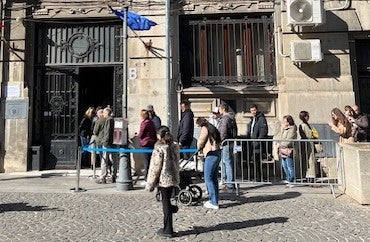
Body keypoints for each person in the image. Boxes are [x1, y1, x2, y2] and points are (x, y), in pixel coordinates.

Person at [146, 126, 180, 238]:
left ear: (160, 135)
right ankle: (168, 226)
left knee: (165, 204)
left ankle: (168, 229)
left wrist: (150, 184)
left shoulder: (160, 147)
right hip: (172, 178)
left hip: (163, 179)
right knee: (168, 202)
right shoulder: (174, 146)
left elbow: (155, 167)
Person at [196, 118, 222, 210]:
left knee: (208, 178)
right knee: (214, 178)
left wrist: (199, 147)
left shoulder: (204, 128)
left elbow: (201, 140)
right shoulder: (212, 127)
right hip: (217, 153)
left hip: (211, 154)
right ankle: (215, 200)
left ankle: (213, 202)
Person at [246, 104, 268, 181]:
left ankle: (259, 177)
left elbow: (263, 130)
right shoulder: (253, 119)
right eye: (251, 110)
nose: (253, 112)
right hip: (252, 143)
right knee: (254, 160)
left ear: (257, 110)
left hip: (257, 143)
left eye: (254, 110)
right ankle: (255, 176)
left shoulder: (261, 118)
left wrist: (258, 140)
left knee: (257, 160)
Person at [218, 103, 237, 191]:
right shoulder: (231, 118)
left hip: (226, 143)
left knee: (227, 162)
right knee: (227, 162)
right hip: (230, 142)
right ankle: (227, 181)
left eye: (219, 109)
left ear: (223, 109)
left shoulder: (225, 119)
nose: (219, 111)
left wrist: (220, 141)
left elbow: (223, 131)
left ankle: (230, 183)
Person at [96, 107, 116, 184]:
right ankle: (113, 175)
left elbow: (107, 132)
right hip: (112, 142)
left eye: (104, 112)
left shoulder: (108, 120)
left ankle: (103, 176)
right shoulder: (112, 119)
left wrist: (105, 141)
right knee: (112, 159)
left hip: (107, 143)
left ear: (107, 113)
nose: (103, 114)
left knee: (104, 160)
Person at [138, 109, 157, 185]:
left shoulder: (144, 123)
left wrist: (138, 135)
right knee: (150, 162)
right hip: (151, 143)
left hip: (146, 143)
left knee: (146, 162)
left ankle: (147, 179)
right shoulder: (151, 122)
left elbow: (141, 134)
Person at [298, 111, 317, 185]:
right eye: (307, 116)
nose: (308, 117)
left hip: (308, 143)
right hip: (307, 144)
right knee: (310, 161)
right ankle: (310, 177)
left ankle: (309, 177)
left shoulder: (306, 125)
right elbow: (307, 135)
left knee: (309, 161)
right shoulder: (303, 125)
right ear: (304, 117)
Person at [278, 115, 297, 188]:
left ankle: (292, 180)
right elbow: (281, 136)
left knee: (290, 166)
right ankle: (288, 178)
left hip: (288, 149)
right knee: (284, 165)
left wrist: (282, 145)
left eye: (285, 121)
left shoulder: (292, 129)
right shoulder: (284, 128)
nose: (284, 123)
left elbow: (289, 139)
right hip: (283, 149)